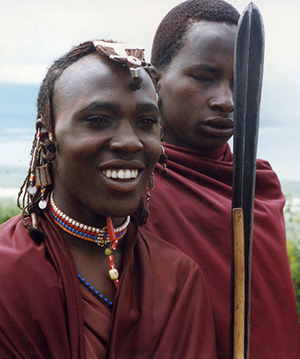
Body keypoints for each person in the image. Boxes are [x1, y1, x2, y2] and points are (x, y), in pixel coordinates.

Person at [0, 40, 218, 358]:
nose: (130, 143)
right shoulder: (7, 269)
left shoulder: (177, 277)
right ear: (47, 137)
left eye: (146, 122)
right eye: (98, 119)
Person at [145, 0, 300, 358]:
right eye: (204, 77)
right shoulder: (133, 185)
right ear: (156, 82)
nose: (226, 100)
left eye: (239, 83)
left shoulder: (261, 187)